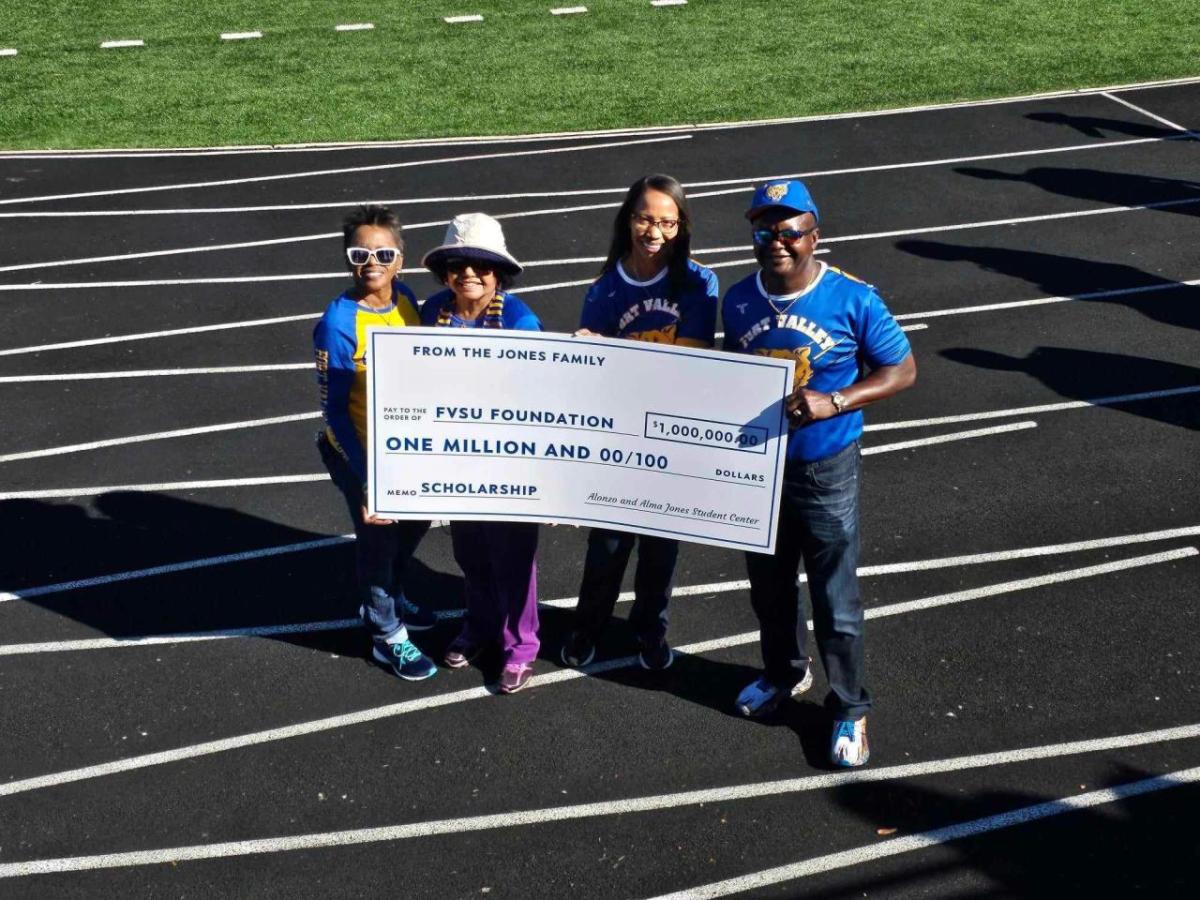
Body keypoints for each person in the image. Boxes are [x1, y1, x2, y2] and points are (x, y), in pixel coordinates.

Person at [721, 179, 916, 767]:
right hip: (761, 468)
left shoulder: (853, 298)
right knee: (770, 590)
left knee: (835, 599)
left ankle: (851, 707)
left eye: (789, 231)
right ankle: (783, 673)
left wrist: (836, 401)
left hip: (825, 469)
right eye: (765, 231)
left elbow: (902, 370)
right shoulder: (738, 299)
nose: (777, 241)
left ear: (814, 235)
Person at [559, 174, 719, 672]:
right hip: (620, 435)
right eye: (646, 218)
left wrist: (614, 350)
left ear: (682, 226)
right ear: (628, 220)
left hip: (671, 433)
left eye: (668, 221)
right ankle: (588, 628)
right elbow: (595, 376)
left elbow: (690, 362)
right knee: (606, 547)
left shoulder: (698, 282)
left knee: (659, 551)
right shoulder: (606, 288)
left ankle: (650, 629)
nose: (656, 231)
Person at [314, 205, 438, 682]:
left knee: (417, 521)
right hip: (359, 453)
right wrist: (368, 479)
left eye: (383, 252)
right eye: (360, 252)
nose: (372, 261)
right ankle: (387, 634)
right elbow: (335, 413)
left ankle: (392, 592)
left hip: (405, 451)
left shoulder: (406, 301)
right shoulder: (337, 324)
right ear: (348, 259)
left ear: (400, 259)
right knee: (379, 540)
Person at [421, 213, 544, 694]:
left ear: (500, 273)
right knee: (469, 550)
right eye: (458, 265)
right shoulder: (433, 311)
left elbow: (540, 398)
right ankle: (480, 624)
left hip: (509, 457)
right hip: (456, 456)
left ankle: (521, 646)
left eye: (482, 266)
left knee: (513, 556)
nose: (469, 274)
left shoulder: (519, 320)